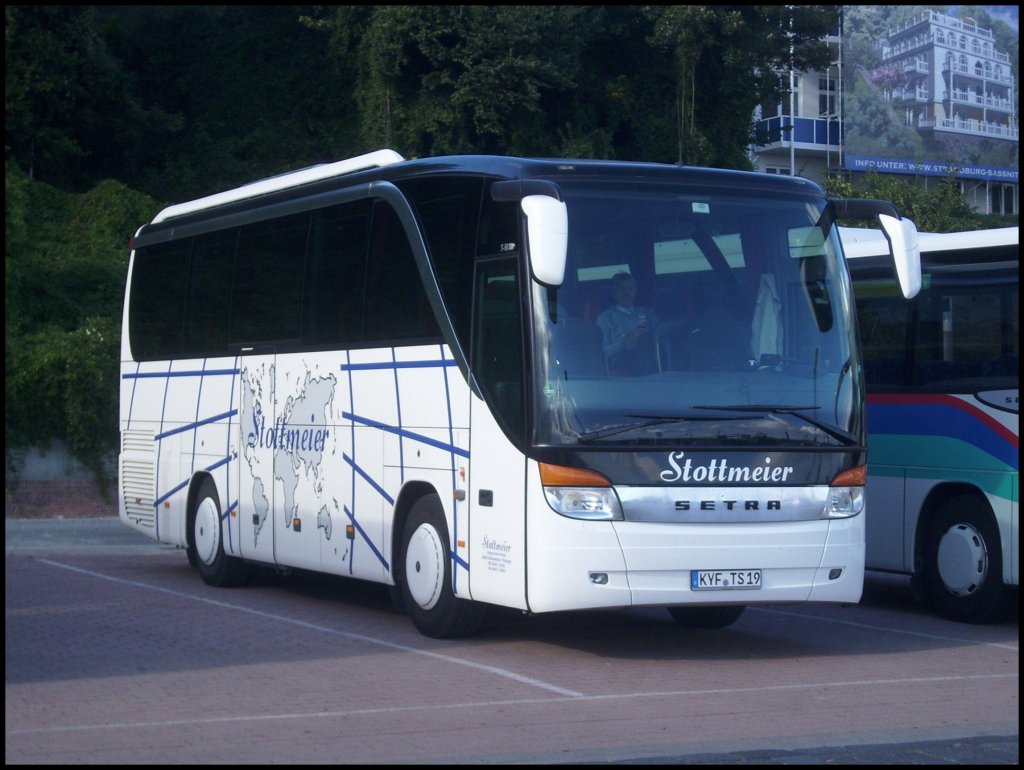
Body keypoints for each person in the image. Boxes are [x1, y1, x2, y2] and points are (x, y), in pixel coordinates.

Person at [596, 272, 659, 374]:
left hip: (651, 353)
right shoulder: (605, 317)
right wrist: (626, 340)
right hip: (620, 358)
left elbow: (660, 337)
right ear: (614, 292)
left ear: (635, 291)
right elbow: (603, 351)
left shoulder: (648, 313)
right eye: (621, 288)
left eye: (630, 288)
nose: (626, 292)